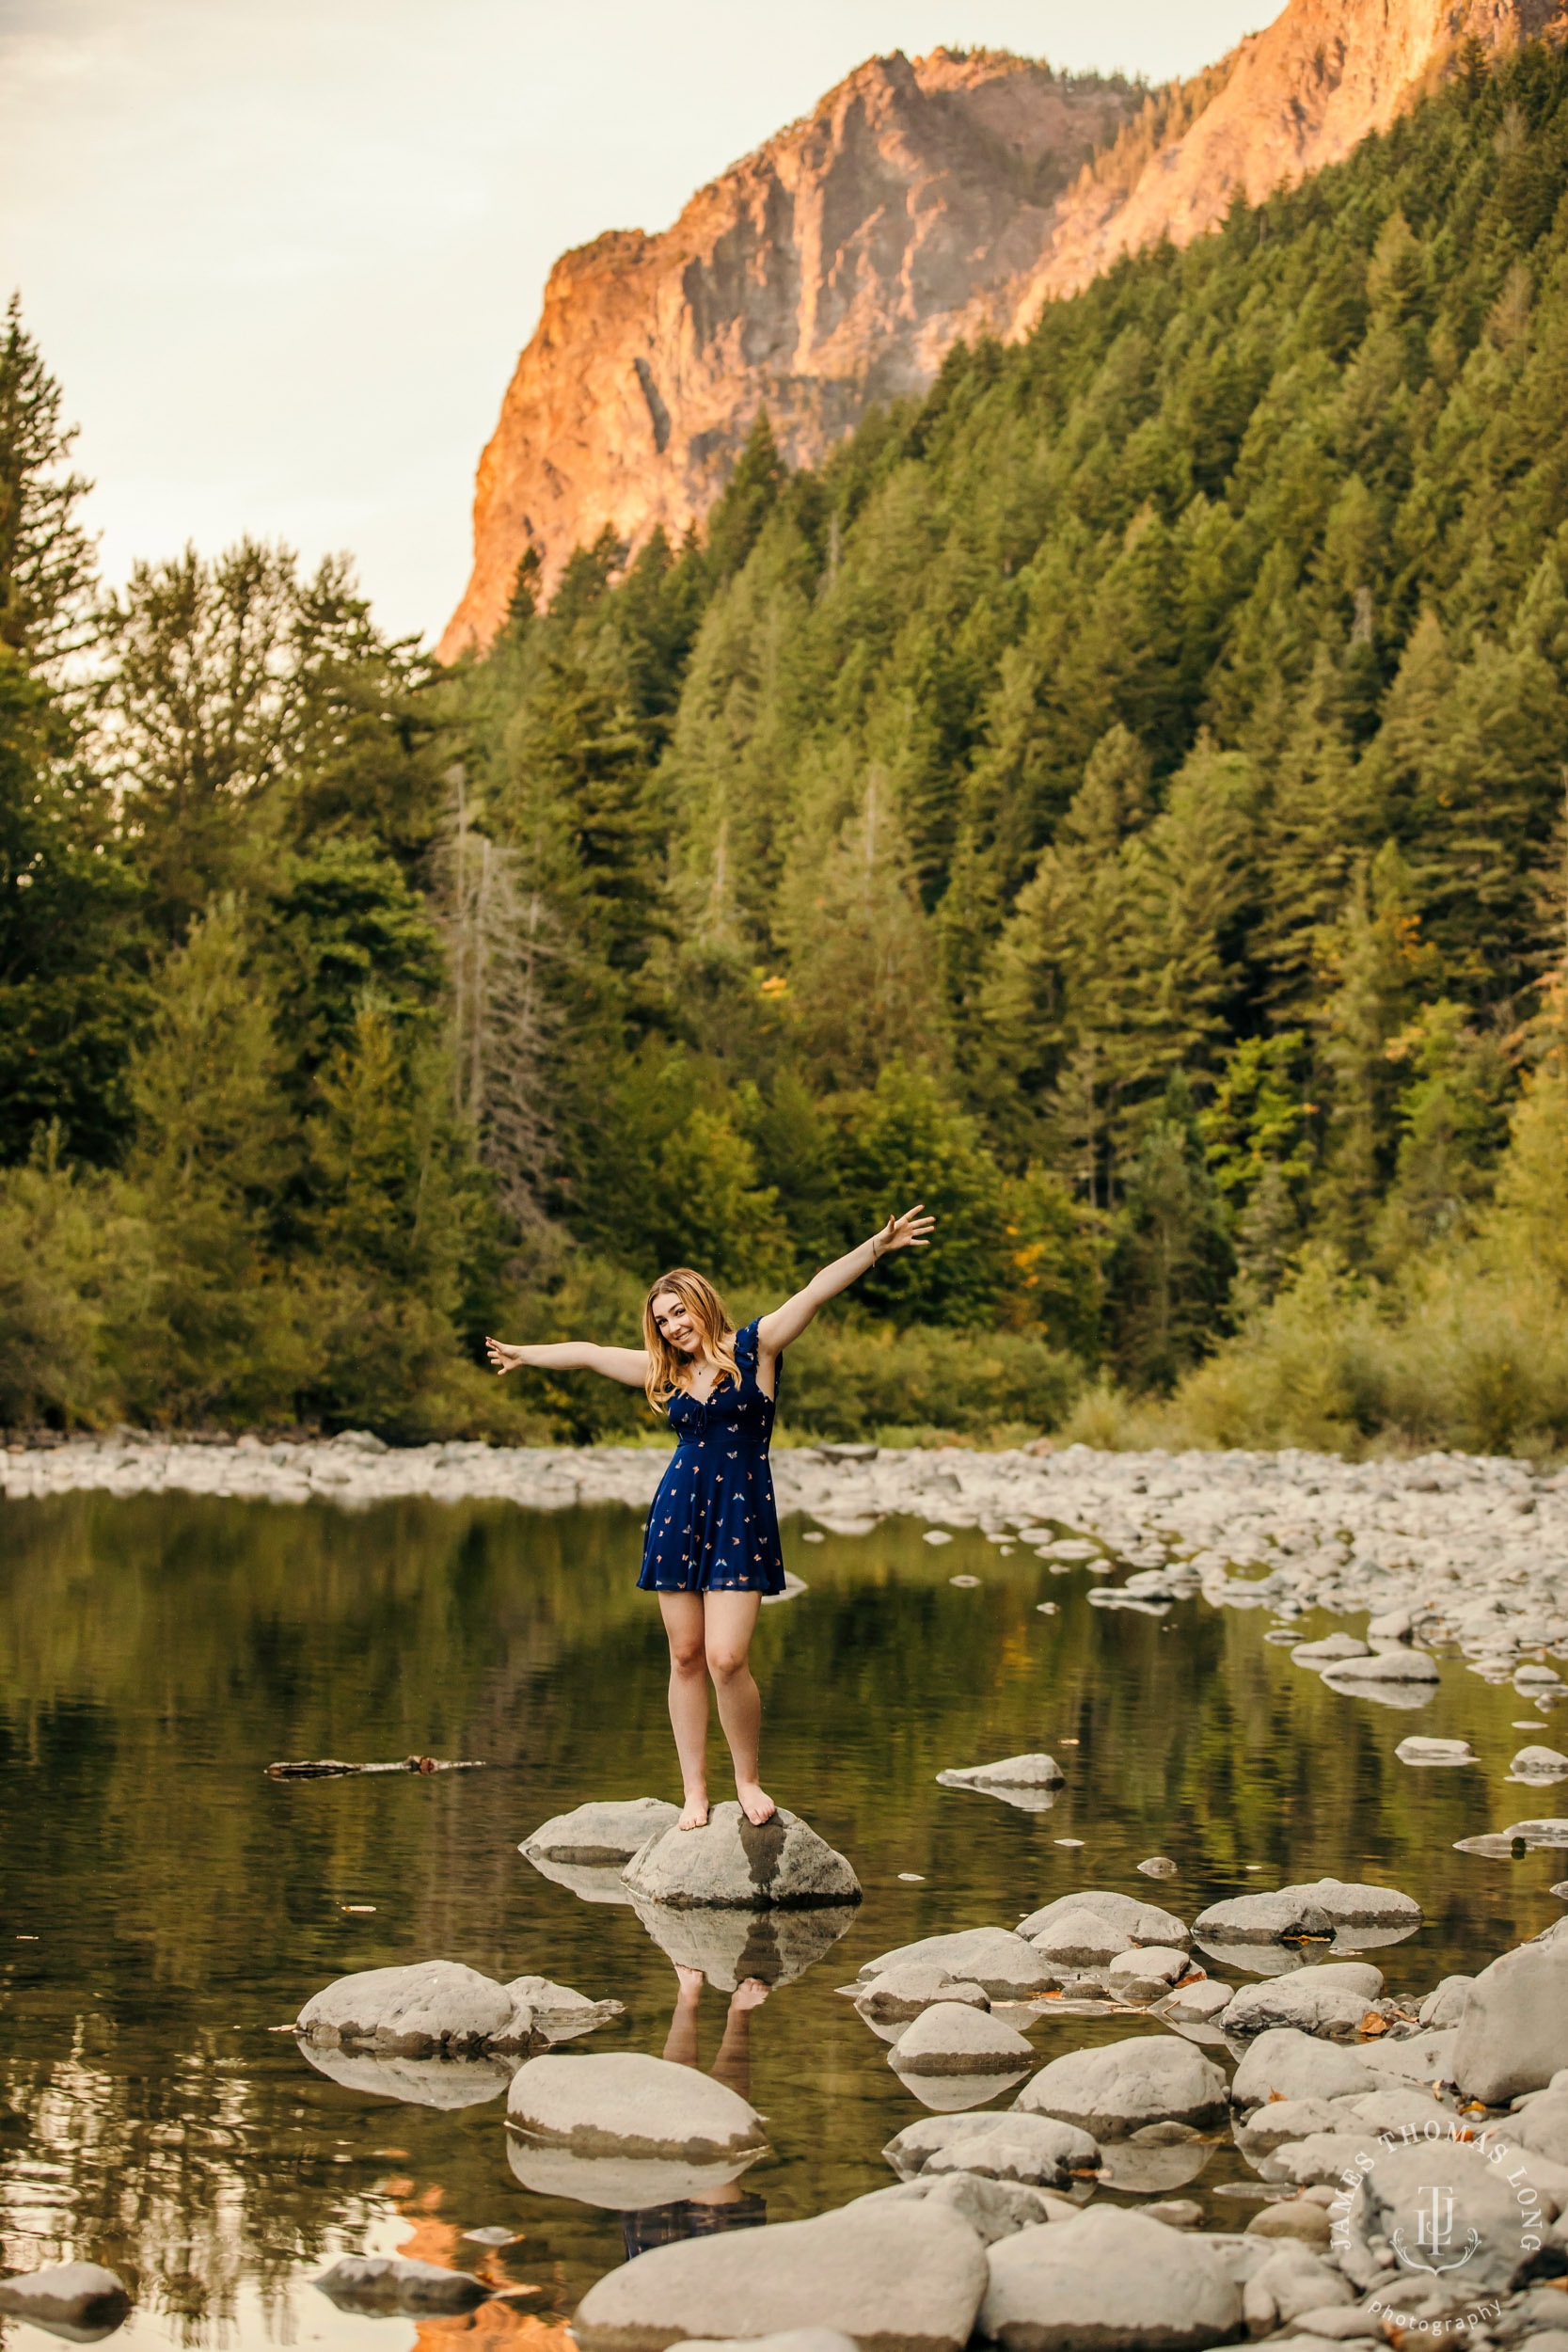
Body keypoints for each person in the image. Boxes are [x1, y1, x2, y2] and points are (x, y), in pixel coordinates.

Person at [485, 1205, 935, 1831]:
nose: (671, 1327)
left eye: (678, 1312)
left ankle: (745, 1779)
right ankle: (694, 1792)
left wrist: (876, 1247)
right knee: (685, 1656)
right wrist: (523, 1356)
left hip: (740, 1514)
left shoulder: (756, 1346)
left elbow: (814, 1290)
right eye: (661, 1320)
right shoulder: (663, 1373)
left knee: (727, 1658)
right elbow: (588, 1353)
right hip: (678, 1513)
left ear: (701, 1304)